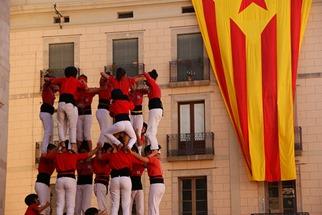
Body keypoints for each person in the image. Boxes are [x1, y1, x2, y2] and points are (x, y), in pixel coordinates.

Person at [43, 142, 100, 215]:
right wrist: (97, 148)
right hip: (70, 179)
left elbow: (47, 156)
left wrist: (58, 147)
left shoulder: (57, 155)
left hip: (60, 178)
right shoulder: (74, 155)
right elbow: (89, 154)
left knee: (60, 204)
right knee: (70, 205)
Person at [100, 133, 143, 215]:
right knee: (126, 206)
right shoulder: (129, 155)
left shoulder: (111, 155)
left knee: (115, 205)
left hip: (115, 178)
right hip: (126, 178)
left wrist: (100, 148)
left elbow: (100, 157)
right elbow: (141, 161)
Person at [46, 66, 87, 152]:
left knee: (61, 124)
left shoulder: (62, 79)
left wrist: (49, 79)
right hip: (70, 103)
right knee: (72, 125)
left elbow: (51, 81)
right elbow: (84, 87)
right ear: (75, 74)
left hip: (61, 103)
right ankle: (72, 144)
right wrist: (83, 81)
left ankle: (62, 142)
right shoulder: (76, 81)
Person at [131, 144, 165, 215]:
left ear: (149, 152)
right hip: (160, 184)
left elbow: (142, 159)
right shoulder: (157, 160)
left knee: (152, 206)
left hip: (156, 184)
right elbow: (143, 163)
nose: (145, 155)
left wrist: (132, 153)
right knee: (155, 206)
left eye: (146, 153)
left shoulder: (153, 159)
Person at [76, 74, 100, 151]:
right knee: (79, 136)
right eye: (80, 81)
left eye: (83, 81)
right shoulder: (76, 91)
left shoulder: (89, 91)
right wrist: (77, 104)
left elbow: (99, 89)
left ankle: (90, 153)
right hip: (78, 114)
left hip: (87, 114)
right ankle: (78, 153)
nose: (82, 82)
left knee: (87, 135)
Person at [142, 70, 163, 151]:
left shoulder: (153, 84)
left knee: (149, 132)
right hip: (157, 110)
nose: (146, 82)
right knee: (152, 132)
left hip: (154, 110)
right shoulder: (154, 87)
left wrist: (142, 75)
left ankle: (154, 149)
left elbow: (146, 75)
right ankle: (154, 148)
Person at [34, 144, 57, 215]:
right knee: (43, 205)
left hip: (46, 183)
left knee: (47, 207)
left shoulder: (52, 160)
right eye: (54, 151)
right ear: (49, 150)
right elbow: (49, 157)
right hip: (41, 182)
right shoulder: (44, 156)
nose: (56, 152)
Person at [39, 74, 58, 153]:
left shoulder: (51, 90)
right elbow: (46, 80)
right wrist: (51, 80)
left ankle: (49, 146)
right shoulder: (46, 87)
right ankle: (44, 149)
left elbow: (58, 88)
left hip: (48, 112)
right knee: (48, 131)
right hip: (45, 112)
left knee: (51, 131)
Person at [92, 143, 112, 213]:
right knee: (102, 208)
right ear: (104, 151)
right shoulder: (99, 158)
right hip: (100, 183)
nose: (110, 153)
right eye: (109, 151)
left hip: (105, 183)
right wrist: (99, 149)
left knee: (106, 207)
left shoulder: (107, 158)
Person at [75, 143, 94, 215]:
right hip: (79, 183)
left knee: (85, 207)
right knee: (77, 207)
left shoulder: (91, 161)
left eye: (85, 152)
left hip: (88, 184)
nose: (83, 154)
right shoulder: (78, 161)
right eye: (82, 152)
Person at [96, 75, 113, 147]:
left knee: (107, 130)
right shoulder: (104, 87)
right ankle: (100, 147)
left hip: (104, 111)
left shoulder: (105, 87)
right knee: (105, 131)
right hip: (103, 111)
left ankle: (106, 146)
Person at [129, 145, 145, 215]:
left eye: (133, 151)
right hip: (130, 187)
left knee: (140, 209)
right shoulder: (128, 161)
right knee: (128, 208)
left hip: (139, 187)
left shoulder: (140, 162)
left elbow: (145, 163)